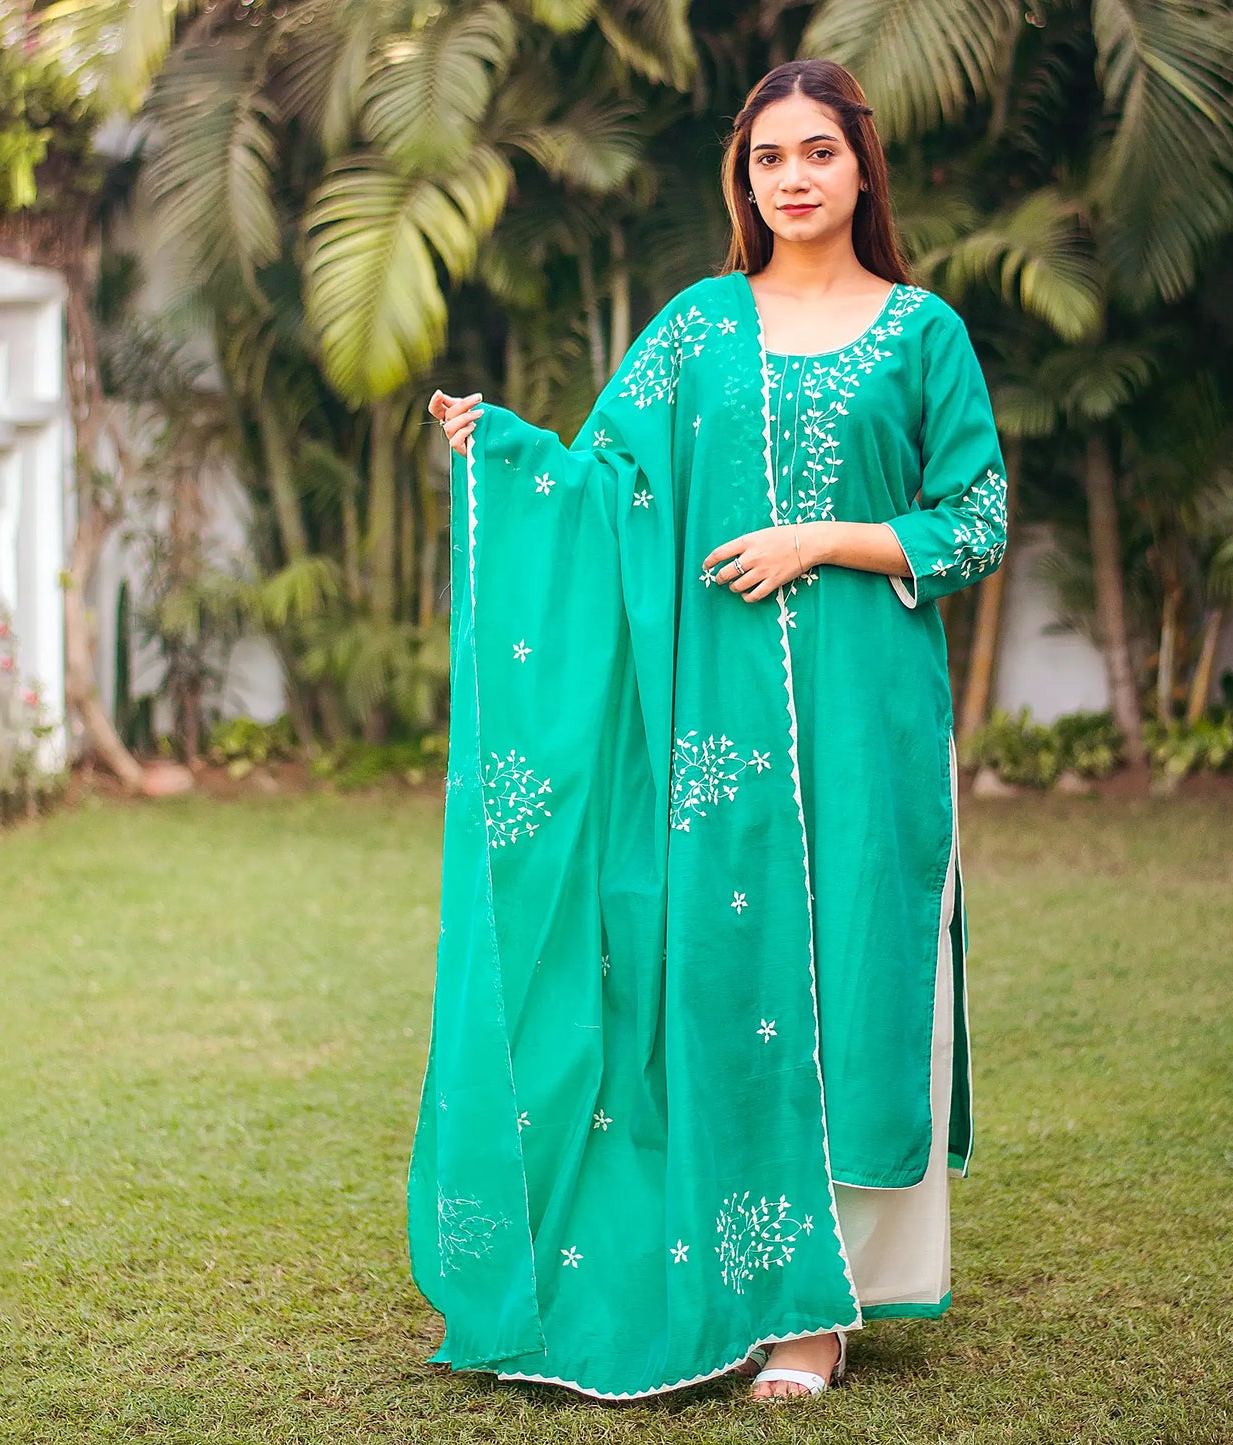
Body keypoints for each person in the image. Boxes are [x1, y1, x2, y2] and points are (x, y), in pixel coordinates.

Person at [409, 57, 1007, 1404]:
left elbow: (971, 519)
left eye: (817, 153)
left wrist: (822, 539)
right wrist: (502, 451)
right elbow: (605, 486)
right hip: (710, 730)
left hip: (866, 717)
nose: (792, 178)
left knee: (853, 981)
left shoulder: (920, 333)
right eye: (767, 160)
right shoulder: (694, 328)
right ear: (743, 182)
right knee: (720, 974)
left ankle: (824, 1306)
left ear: (861, 167)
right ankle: (736, 1272)